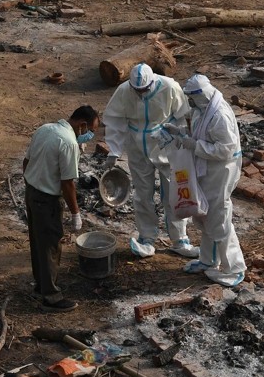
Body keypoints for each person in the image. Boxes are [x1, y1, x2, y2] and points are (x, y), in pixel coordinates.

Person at [102, 63, 198, 259]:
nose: (140, 94)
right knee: (142, 193)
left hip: (166, 144)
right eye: (137, 90)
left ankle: (180, 239)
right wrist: (114, 150)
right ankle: (147, 238)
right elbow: (115, 120)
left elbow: (184, 116)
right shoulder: (124, 90)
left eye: (144, 90)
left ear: (152, 83)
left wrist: (178, 135)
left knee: (174, 191)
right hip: (137, 145)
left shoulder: (170, 87)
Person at [165, 75, 246, 287]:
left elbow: (225, 149)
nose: (189, 102)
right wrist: (179, 132)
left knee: (219, 217)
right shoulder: (204, 109)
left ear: (200, 95)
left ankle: (234, 268)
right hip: (208, 168)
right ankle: (208, 260)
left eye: (191, 98)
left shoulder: (219, 115)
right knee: (205, 214)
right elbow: (199, 133)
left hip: (221, 170)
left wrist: (193, 145)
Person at [22, 105, 100, 312]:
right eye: (90, 130)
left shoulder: (45, 129)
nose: (90, 135)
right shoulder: (68, 143)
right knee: (50, 245)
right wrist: (76, 213)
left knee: (38, 241)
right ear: (82, 125)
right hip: (47, 199)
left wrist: (33, 182)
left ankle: (41, 285)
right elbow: (67, 184)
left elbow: (26, 161)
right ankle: (51, 297)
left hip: (32, 192)